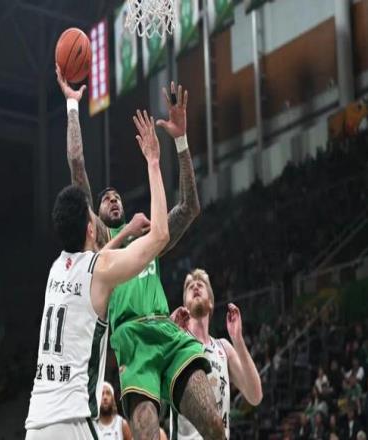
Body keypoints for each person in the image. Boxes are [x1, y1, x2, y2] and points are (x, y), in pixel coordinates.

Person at [56, 68, 225, 440]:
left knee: (215, 426)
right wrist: (72, 106)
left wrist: (181, 142)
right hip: (131, 340)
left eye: (117, 196)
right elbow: (77, 165)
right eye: (106, 198)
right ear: (94, 216)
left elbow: (190, 206)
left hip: (166, 329)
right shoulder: (100, 242)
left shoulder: (147, 238)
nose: (113, 199)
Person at [24, 109, 170, 439]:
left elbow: (99, 257)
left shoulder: (55, 270)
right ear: (92, 229)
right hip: (73, 421)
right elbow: (160, 235)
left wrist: (71, 104)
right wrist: (153, 162)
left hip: (36, 423)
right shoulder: (99, 270)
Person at [169, 269, 263, 439]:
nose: (195, 286)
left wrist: (238, 339)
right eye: (190, 286)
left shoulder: (224, 348)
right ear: (185, 306)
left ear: (211, 303)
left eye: (201, 284)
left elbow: (255, 396)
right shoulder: (178, 342)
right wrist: (170, 333)